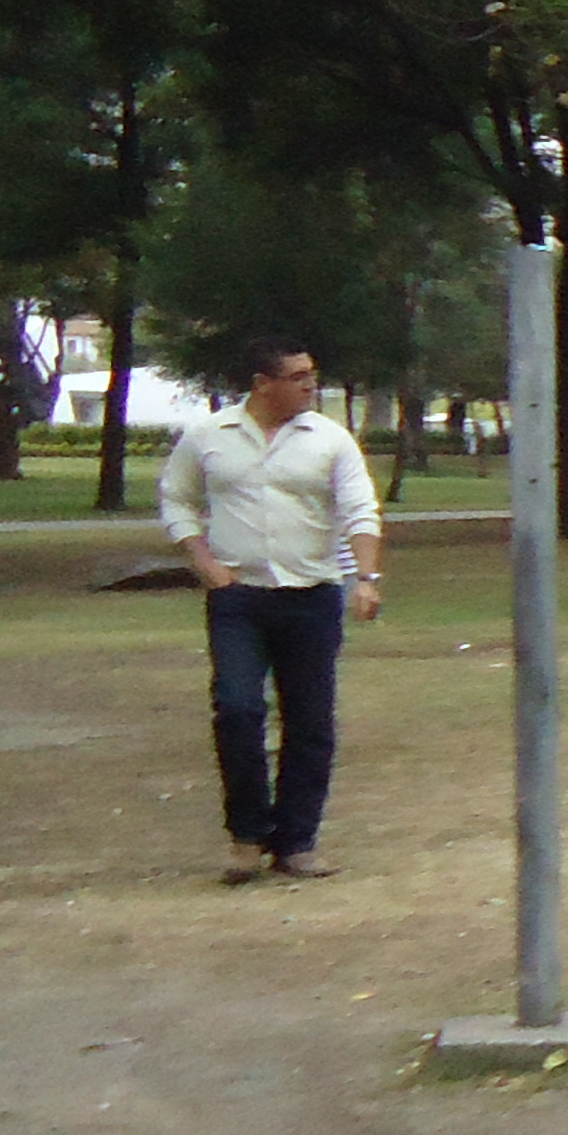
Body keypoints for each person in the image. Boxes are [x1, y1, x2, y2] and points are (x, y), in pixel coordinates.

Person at [158, 337, 385, 883]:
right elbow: (177, 499)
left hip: (312, 595)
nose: (311, 385)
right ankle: (246, 836)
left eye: (313, 375)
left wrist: (366, 578)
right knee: (237, 711)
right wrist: (204, 562)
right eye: (298, 376)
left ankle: (297, 842)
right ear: (263, 384)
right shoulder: (209, 436)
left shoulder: (330, 439)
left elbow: (360, 509)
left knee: (309, 721)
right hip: (240, 598)